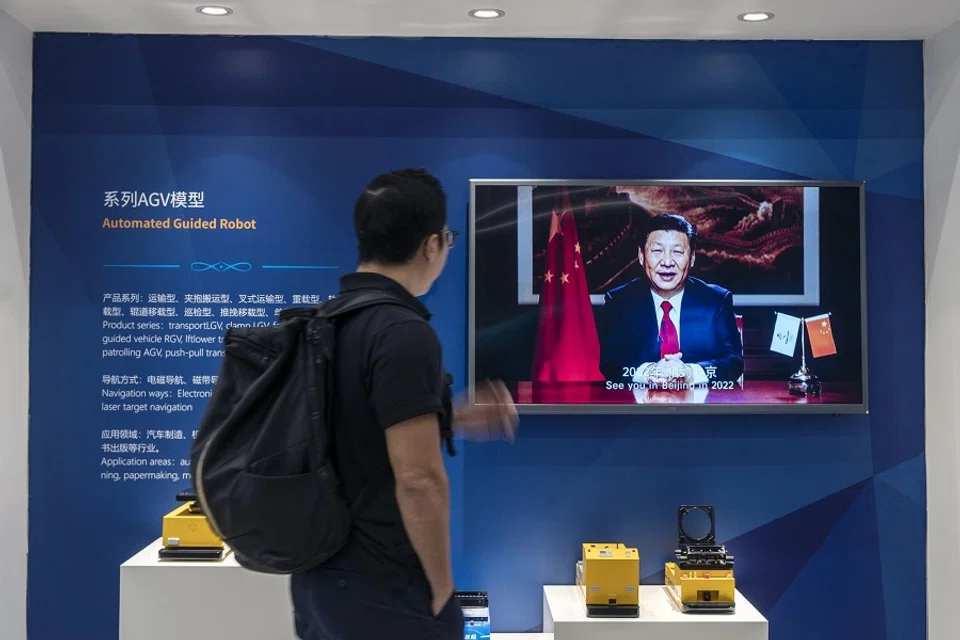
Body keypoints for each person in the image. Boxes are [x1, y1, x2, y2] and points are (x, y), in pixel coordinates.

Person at [289, 169, 518, 640]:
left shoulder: (327, 323)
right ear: (431, 245)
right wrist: (440, 587)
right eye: (448, 239)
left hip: (319, 576)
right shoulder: (402, 332)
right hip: (385, 584)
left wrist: (447, 414)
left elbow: (354, 426)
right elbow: (418, 480)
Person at [596, 213, 743, 388]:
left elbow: (733, 362)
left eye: (677, 252)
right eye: (657, 251)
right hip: (640, 409)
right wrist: (649, 372)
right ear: (641, 256)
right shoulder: (619, 301)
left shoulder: (716, 301)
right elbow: (611, 363)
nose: (667, 262)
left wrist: (690, 373)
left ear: (692, 258)